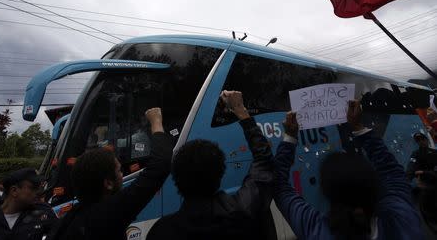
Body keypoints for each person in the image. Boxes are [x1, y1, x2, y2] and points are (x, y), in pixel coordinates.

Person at [274, 100, 424, 240]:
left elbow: (279, 186)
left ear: (326, 193)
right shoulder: (402, 218)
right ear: (374, 186)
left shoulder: (317, 230)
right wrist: (358, 127)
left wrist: (290, 137)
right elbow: (391, 171)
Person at [147, 90, 275, 240]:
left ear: (176, 178)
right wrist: (241, 110)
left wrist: (156, 126)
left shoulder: (162, 231)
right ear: (220, 173)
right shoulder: (242, 213)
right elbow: (264, 161)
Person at [48, 107, 174, 240]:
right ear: (108, 183)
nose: (121, 175)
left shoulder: (70, 219)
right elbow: (161, 164)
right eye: (119, 171)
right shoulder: (110, 211)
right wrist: (156, 121)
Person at [0, 168, 57, 240]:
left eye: (39, 188)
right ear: (14, 191)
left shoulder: (44, 212)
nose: (38, 192)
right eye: (33, 188)